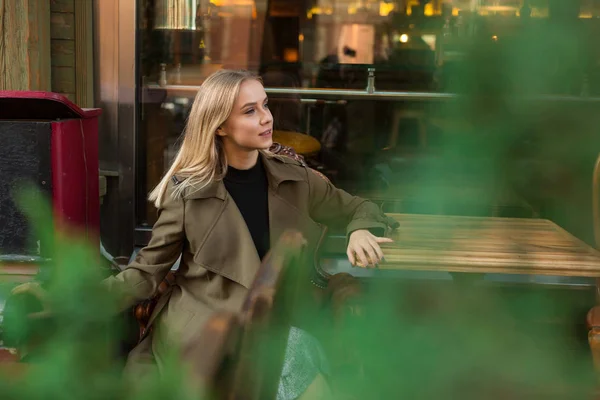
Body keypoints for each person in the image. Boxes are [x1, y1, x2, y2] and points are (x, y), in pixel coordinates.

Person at [19, 69, 397, 399]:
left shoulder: (295, 179)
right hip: (204, 328)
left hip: (275, 322)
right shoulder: (187, 195)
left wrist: (360, 229)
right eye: (250, 111)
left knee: (290, 348)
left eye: (265, 105)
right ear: (219, 125)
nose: (266, 118)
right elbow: (145, 274)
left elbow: (358, 207)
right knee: (290, 352)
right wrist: (68, 301)